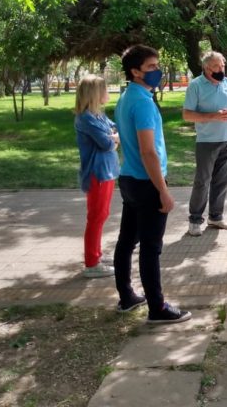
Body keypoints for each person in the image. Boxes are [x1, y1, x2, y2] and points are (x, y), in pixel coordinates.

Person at [113, 45, 191, 324]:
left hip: (129, 179)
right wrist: (163, 190)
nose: (157, 71)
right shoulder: (143, 102)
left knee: (126, 242)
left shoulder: (126, 97)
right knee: (150, 247)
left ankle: (126, 297)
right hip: (146, 183)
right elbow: (148, 151)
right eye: (150, 67)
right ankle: (157, 309)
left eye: (157, 65)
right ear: (135, 72)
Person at [183, 51, 227, 234]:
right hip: (207, 142)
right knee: (202, 181)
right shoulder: (196, 85)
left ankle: (216, 217)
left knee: (221, 181)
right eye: (217, 66)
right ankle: (195, 220)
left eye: (223, 66)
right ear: (206, 68)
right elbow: (187, 114)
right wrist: (213, 116)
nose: (221, 69)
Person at [74, 74, 120, 279]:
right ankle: (92, 263)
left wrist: (114, 137)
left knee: (102, 215)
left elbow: (116, 130)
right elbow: (107, 143)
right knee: (96, 217)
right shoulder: (86, 118)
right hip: (97, 173)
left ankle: (96, 255)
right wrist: (115, 139)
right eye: (104, 89)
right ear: (94, 94)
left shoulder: (99, 115)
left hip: (108, 171)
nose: (107, 92)